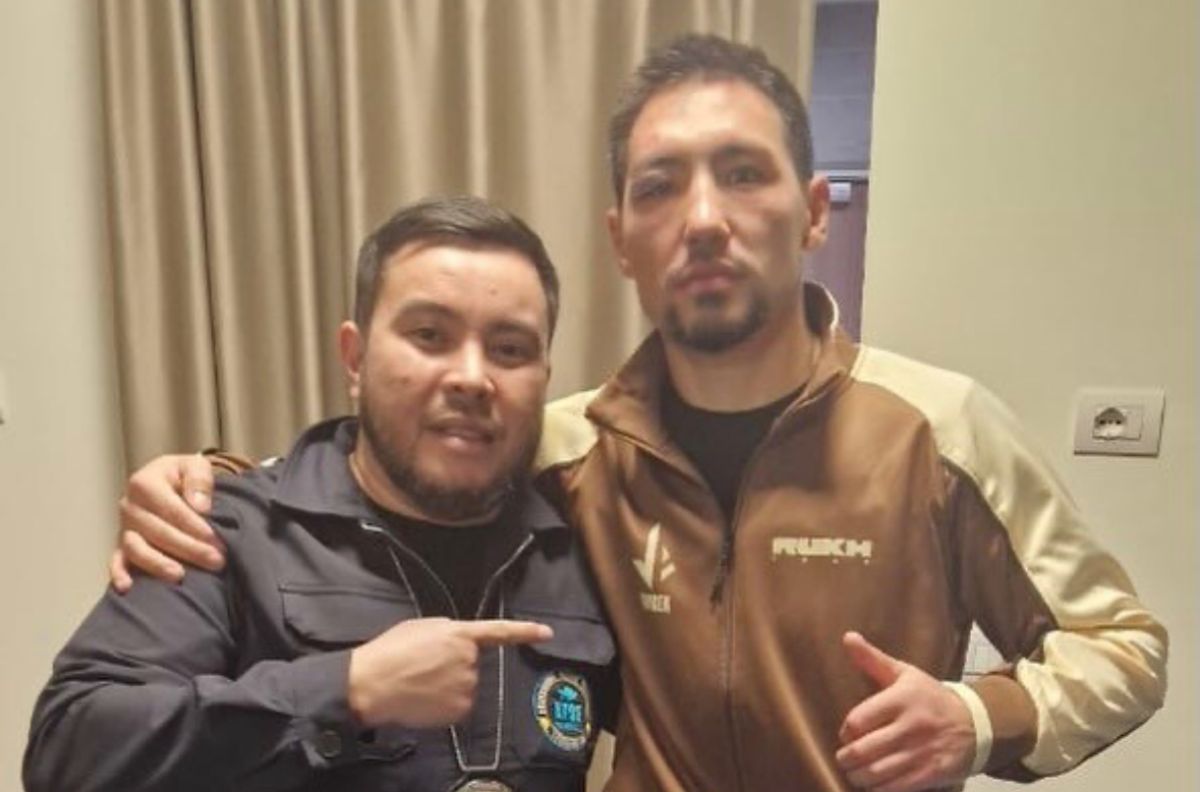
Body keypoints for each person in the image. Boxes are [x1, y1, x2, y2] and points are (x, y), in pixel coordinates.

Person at [104, 35, 1167, 792]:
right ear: (621, 238)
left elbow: (1124, 647)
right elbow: (382, 470)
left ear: (811, 212)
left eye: (742, 175)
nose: (703, 218)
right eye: (661, 187)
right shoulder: (568, 445)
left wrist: (978, 717)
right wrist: (209, 482)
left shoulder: (941, 429)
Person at [25, 196, 618, 792]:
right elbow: (69, 752)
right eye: (429, 335)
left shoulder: (586, 540)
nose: (471, 377)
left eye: (510, 349)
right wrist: (343, 690)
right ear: (355, 359)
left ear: (543, 375)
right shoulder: (224, 531)